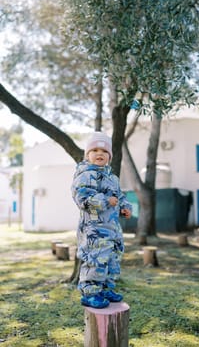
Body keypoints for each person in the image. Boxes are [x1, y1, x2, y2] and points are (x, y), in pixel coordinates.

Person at [71, 131, 132, 309]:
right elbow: (82, 199)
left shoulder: (112, 178)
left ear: (109, 156)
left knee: (112, 259)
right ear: (87, 155)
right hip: (94, 230)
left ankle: (105, 289)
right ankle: (90, 293)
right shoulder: (85, 175)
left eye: (104, 151)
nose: (100, 153)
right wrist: (105, 201)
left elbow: (119, 197)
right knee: (96, 259)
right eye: (95, 150)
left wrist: (125, 207)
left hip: (112, 229)